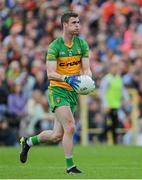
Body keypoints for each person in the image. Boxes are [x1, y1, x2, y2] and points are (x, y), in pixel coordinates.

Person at [20, 11, 92, 174]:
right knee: (70, 126)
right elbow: (50, 73)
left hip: (73, 92)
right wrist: (67, 79)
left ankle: (28, 142)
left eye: (78, 22)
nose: (77, 25)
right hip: (58, 90)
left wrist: (87, 79)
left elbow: (87, 68)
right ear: (65, 25)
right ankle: (70, 166)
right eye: (74, 23)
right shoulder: (55, 46)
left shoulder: (82, 44)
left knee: (56, 135)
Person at [100, 61, 130, 144]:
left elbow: (122, 89)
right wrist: (105, 104)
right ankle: (103, 138)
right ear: (110, 69)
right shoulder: (107, 79)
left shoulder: (118, 78)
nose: (115, 69)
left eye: (116, 67)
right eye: (114, 67)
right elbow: (102, 92)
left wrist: (127, 98)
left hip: (116, 105)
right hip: (109, 105)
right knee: (109, 124)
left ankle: (111, 140)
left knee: (115, 124)